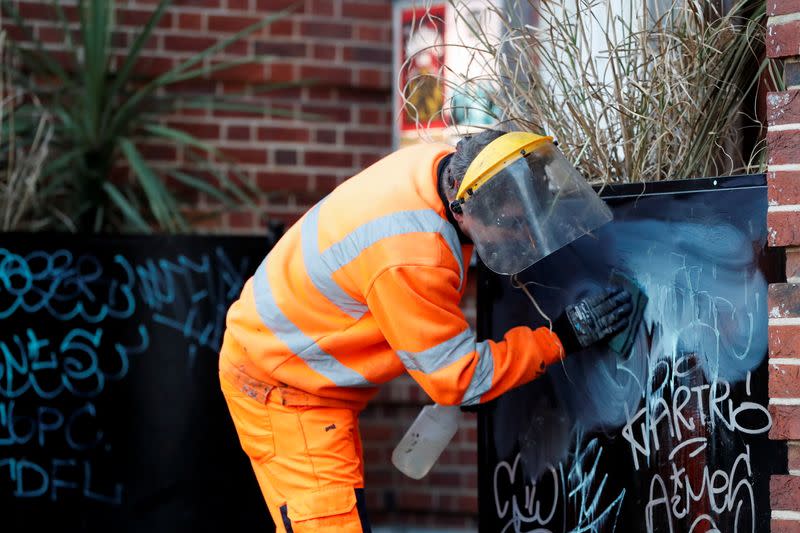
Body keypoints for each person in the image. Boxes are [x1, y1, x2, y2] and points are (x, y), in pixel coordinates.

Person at [218, 129, 632, 532]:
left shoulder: (441, 168)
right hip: (284, 386)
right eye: (511, 226)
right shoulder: (413, 254)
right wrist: (560, 338)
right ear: (461, 209)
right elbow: (460, 381)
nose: (524, 237)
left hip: (293, 359)